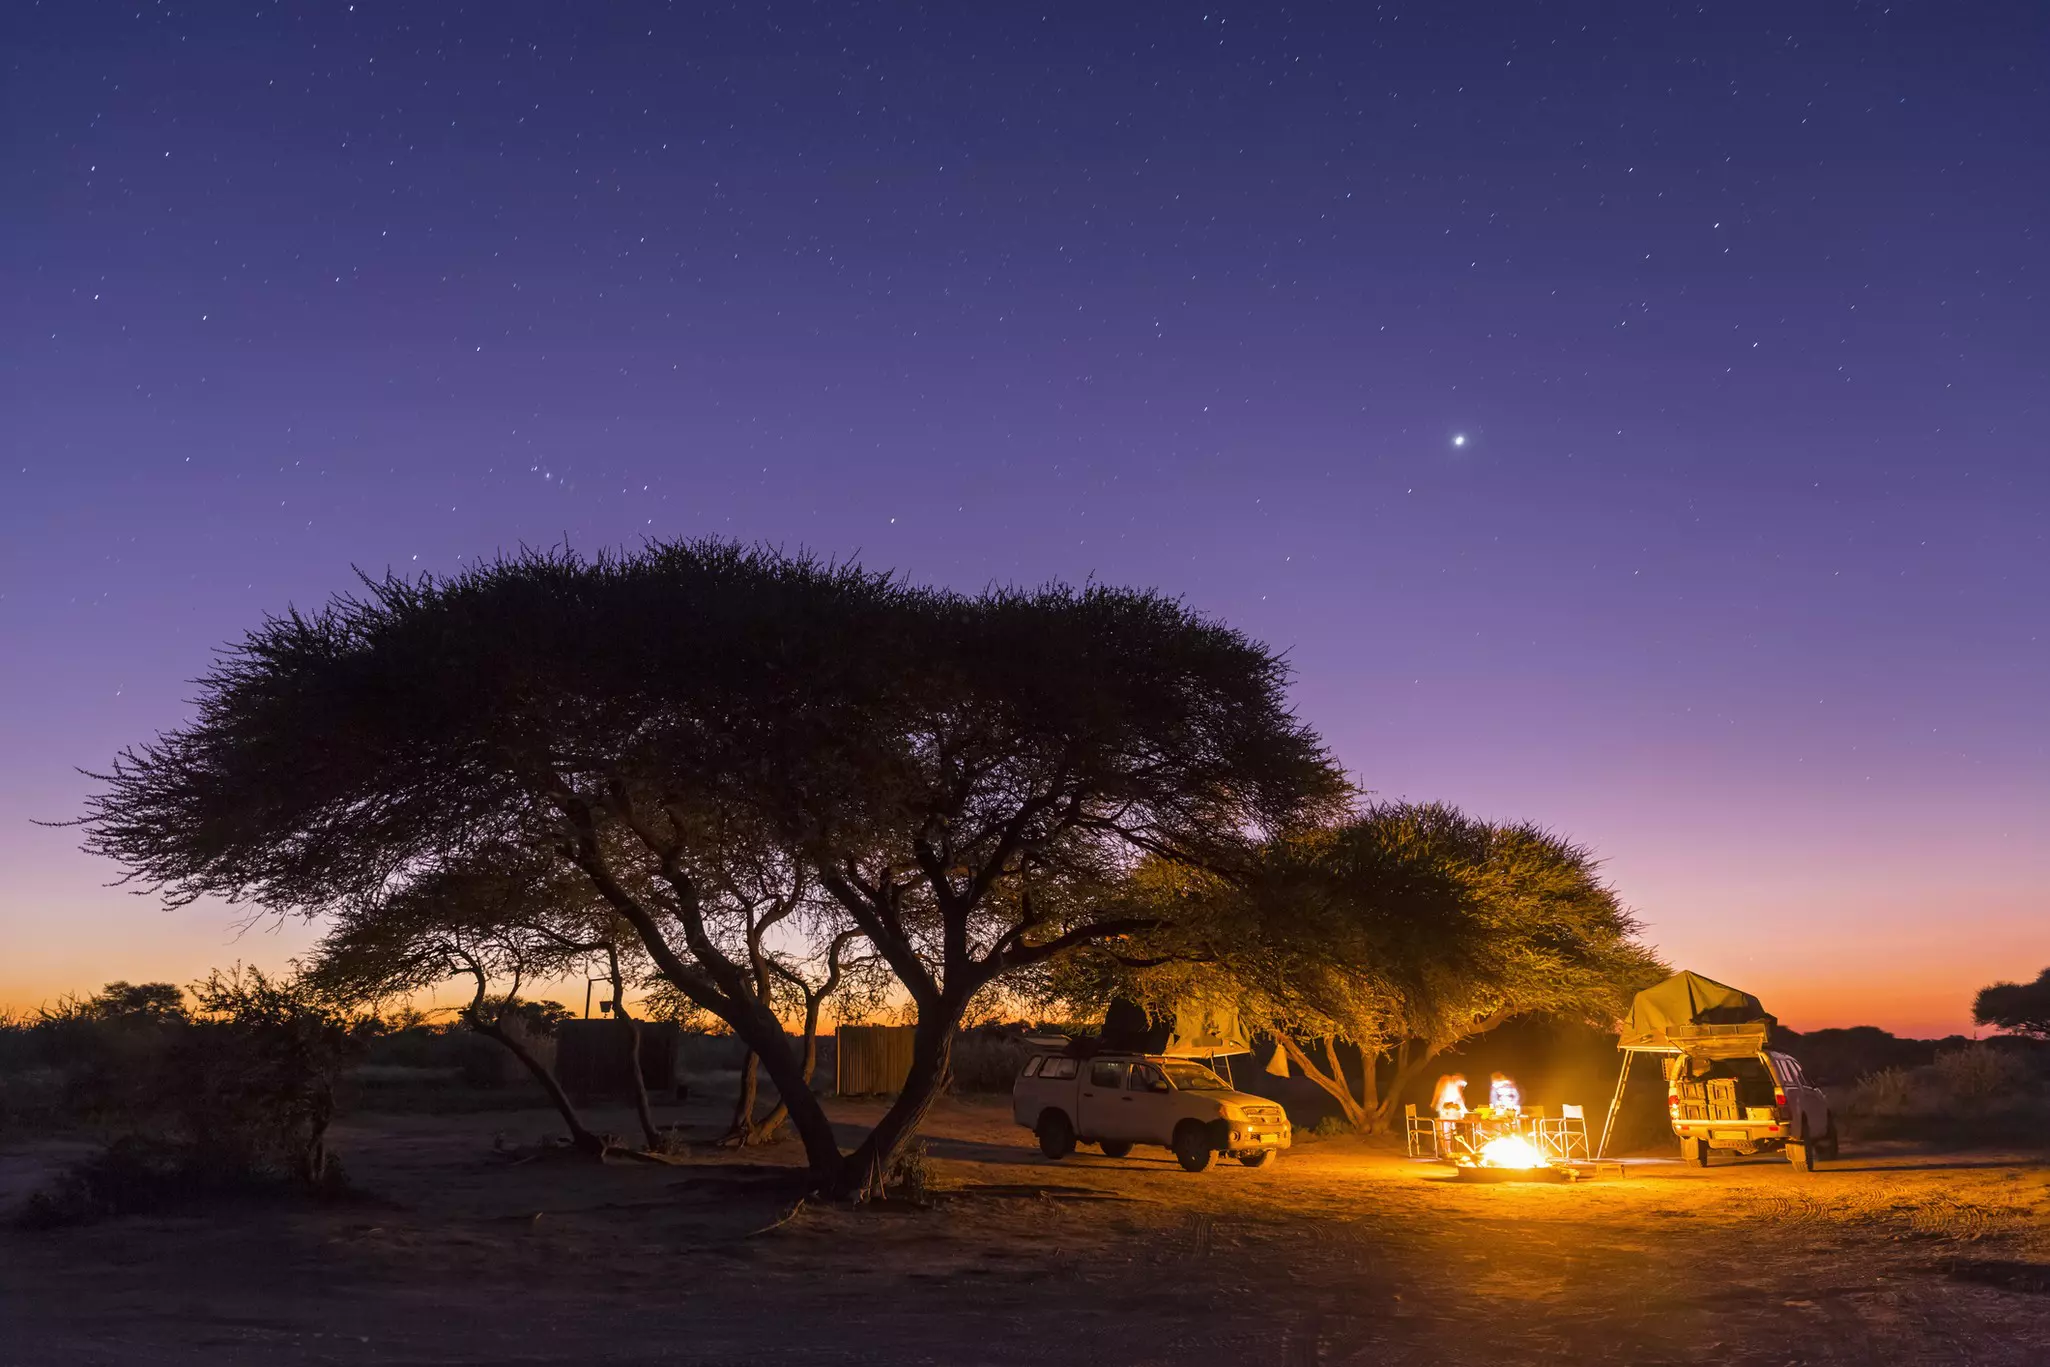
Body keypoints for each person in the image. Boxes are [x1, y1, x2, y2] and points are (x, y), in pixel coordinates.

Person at [1434, 1072, 1468, 1152]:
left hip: (1451, 1114)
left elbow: (1460, 1100)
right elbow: (1439, 1096)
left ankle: (1449, 1150)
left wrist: (1465, 1112)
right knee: (1445, 1132)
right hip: (1444, 1112)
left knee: (1449, 1132)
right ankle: (1447, 1151)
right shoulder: (1446, 1081)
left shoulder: (1456, 1088)